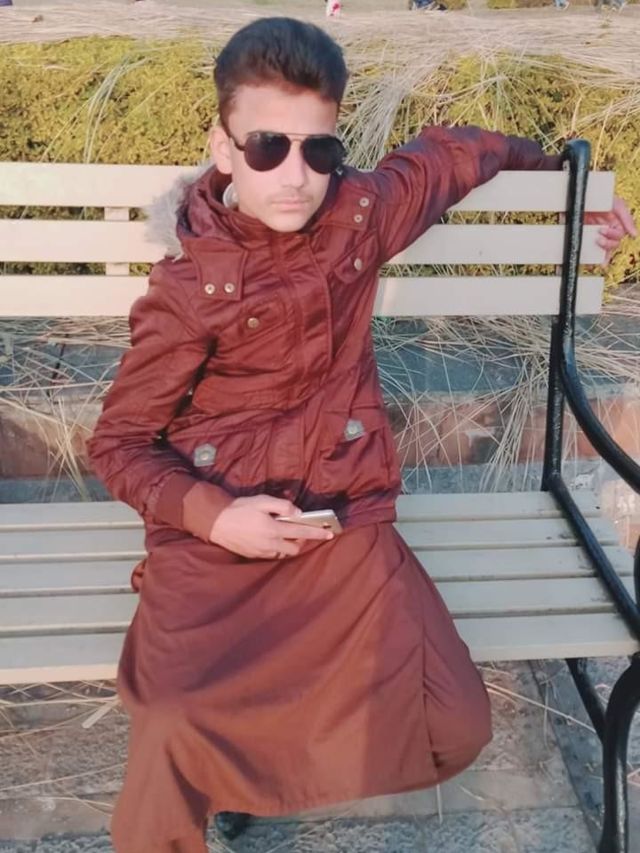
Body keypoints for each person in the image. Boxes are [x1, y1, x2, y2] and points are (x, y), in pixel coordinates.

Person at [88, 16, 635, 853]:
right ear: (224, 147)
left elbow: (452, 156)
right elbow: (119, 442)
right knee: (170, 723)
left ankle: (245, 773)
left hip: (339, 521)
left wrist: (567, 172)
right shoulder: (189, 289)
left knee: (455, 722)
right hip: (220, 535)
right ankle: (213, 790)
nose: (295, 175)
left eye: (320, 149)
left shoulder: (360, 219)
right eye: (267, 147)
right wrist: (215, 516)